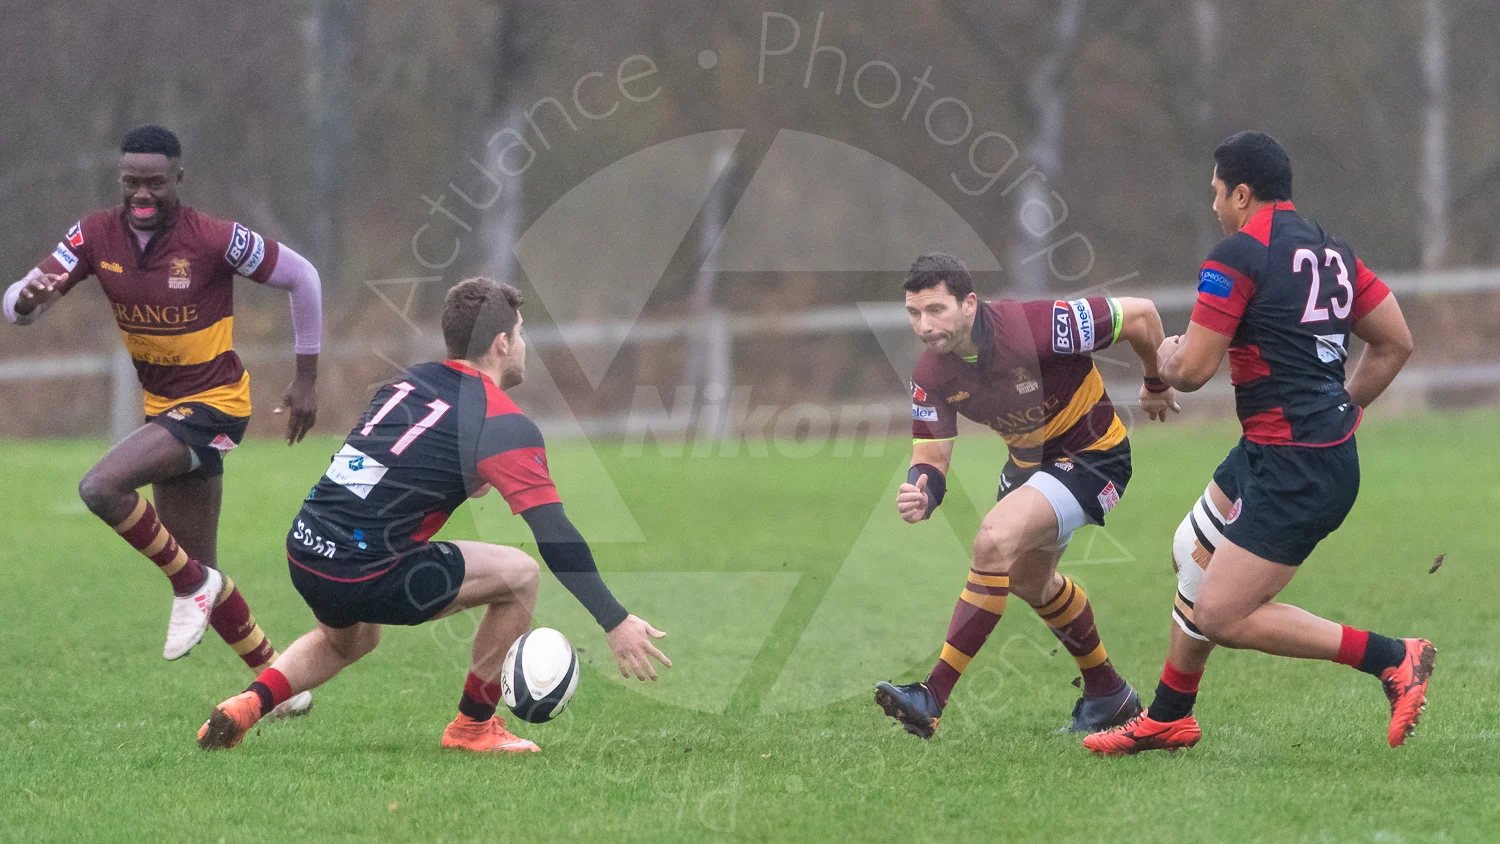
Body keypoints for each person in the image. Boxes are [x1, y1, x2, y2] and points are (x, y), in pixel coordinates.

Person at [196, 277, 672, 753]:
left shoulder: (409, 382)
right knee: (521, 576)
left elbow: (395, 461)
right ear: (502, 342)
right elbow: (554, 534)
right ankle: (472, 728)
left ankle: (247, 706)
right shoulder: (500, 422)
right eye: (521, 334)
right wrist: (615, 620)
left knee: (350, 641)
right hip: (368, 569)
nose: (523, 345)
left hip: (306, 547)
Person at [1084, 131, 1432, 756]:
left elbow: (1191, 370)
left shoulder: (1236, 256)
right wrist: (1343, 408)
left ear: (1242, 193)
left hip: (1299, 468)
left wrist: (1160, 359)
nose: (1214, 205)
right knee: (1191, 551)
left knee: (1220, 613)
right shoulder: (1333, 252)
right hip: (1277, 450)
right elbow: (1396, 341)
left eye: (1216, 193)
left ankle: (1392, 657)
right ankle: (1169, 717)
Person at [3, 126, 321, 717]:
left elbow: (303, 277)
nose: (141, 193)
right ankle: (283, 691)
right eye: (131, 182)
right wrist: (25, 300)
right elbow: (22, 297)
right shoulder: (95, 233)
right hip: (166, 411)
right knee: (203, 568)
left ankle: (188, 587)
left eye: (154, 181)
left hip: (217, 405)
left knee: (100, 488)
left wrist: (306, 378)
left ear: (179, 178)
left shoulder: (214, 238)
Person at [875, 253, 1179, 738]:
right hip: (1027, 466)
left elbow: (1141, 315)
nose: (924, 326)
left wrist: (1156, 380)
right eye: (914, 313)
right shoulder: (931, 374)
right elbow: (931, 457)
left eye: (936, 310)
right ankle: (1108, 693)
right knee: (1029, 583)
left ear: (969, 304)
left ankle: (931, 695)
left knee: (992, 541)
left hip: (1092, 456)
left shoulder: (1039, 326)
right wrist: (923, 491)